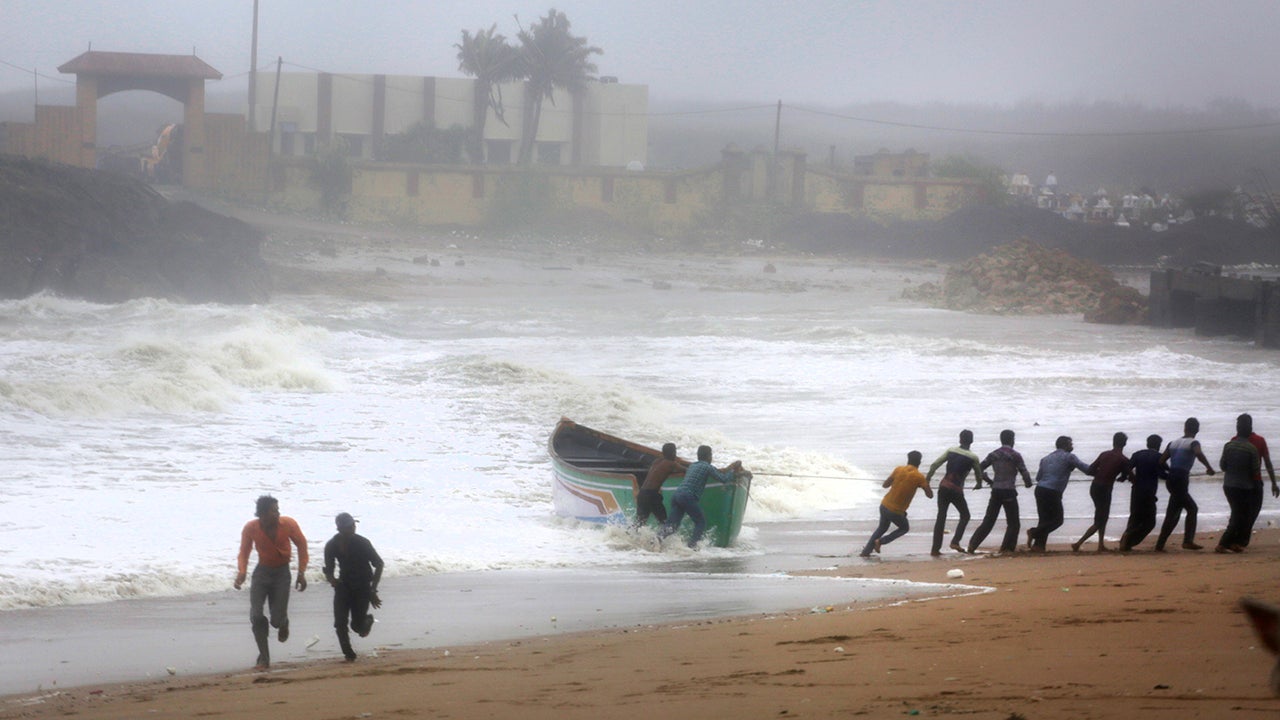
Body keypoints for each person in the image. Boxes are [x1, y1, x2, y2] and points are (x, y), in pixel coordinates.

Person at [235, 495, 308, 670]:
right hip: (261, 574)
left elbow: (302, 545)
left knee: (275, 620)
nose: (278, 513)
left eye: (278, 510)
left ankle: (283, 622)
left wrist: (301, 572)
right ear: (263, 514)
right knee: (256, 616)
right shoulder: (251, 528)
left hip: (282, 574)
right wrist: (242, 572)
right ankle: (264, 658)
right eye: (274, 511)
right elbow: (244, 552)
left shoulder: (288, 524)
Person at [323, 512, 384, 661]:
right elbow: (329, 569)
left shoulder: (362, 543)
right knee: (339, 623)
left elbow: (379, 564)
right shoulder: (331, 545)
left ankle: (367, 621)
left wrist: (373, 590)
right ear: (340, 529)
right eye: (349, 526)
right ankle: (348, 654)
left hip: (362, 587)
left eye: (353, 525)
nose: (353, 528)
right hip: (343, 586)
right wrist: (332, 580)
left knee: (357, 627)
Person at [661, 445, 742, 548]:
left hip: (677, 495)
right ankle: (692, 546)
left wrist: (730, 467)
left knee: (671, 526)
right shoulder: (707, 467)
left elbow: (717, 471)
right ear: (708, 456)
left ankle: (655, 541)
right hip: (687, 496)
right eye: (711, 455)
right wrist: (733, 471)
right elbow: (724, 479)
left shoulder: (692, 466)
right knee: (700, 522)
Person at [968, 429, 1033, 554]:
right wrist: (1028, 483)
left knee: (989, 521)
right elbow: (1024, 471)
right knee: (1013, 523)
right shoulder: (1015, 455)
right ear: (1012, 440)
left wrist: (988, 480)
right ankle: (1007, 548)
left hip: (996, 490)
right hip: (1009, 491)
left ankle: (972, 545)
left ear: (1001, 439)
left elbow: (979, 468)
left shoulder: (994, 454)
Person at [1155, 417, 1215, 552]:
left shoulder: (1173, 443)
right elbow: (1198, 453)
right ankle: (1187, 541)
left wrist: (1170, 471)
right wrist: (1209, 468)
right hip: (1181, 479)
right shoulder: (1194, 443)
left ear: (1185, 428)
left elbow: (1161, 461)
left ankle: (1159, 545)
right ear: (1197, 430)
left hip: (1171, 479)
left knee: (1173, 512)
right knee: (1192, 509)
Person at [924, 429, 988, 556]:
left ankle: (935, 549)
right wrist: (979, 484)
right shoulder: (973, 457)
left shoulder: (951, 451)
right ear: (972, 441)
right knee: (965, 515)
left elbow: (935, 464)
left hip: (943, 487)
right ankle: (955, 541)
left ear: (960, 439)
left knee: (941, 517)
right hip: (956, 491)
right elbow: (978, 474)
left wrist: (928, 479)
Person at [858, 451, 933, 557]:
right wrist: (926, 483)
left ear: (908, 460)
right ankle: (881, 541)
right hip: (896, 511)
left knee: (882, 528)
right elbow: (930, 495)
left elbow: (885, 485)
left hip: (884, 505)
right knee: (904, 528)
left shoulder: (898, 469)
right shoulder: (919, 477)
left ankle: (866, 551)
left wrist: (896, 480)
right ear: (919, 462)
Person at [1027, 436, 1092, 552]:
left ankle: (1038, 546)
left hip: (1040, 489)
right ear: (1065, 445)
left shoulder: (1045, 458)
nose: (1072, 446)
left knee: (1044, 519)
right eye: (1070, 444)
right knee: (1058, 520)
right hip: (1053, 491)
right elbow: (1086, 469)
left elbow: (1038, 478)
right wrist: (1101, 470)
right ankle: (1034, 532)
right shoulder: (1069, 457)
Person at [1073, 432, 1133, 553]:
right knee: (1100, 519)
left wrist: (1101, 474)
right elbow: (1129, 476)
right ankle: (1078, 543)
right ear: (1125, 444)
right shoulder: (1123, 459)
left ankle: (1100, 544)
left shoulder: (1104, 454)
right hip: (1105, 489)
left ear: (1113, 442)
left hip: (1094, 487)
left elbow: (1090, 470)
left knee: (1102, 516)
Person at [1233, 413, 1278, 547]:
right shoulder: (1257, 440)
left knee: (1244, 512)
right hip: (1250, 482)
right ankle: (1241, 540)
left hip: (1243, 483)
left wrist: (1274, 483)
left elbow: (1267, 463)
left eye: (1239, 425)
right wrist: (1274, 483)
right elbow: (1267, 463)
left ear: (1248, 426)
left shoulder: (1236, 440)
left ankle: (1240, 539)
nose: (1238, 428)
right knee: (1249, 512)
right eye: (1238, 425)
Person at [1119, 434, 1168, 551]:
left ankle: (1126, 542)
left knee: (1134, 517)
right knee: (1150, 522)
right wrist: (1173, 475)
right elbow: (1162, 474)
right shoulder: (1159, 457)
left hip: (1136, 490)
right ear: (1159, 445)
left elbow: (1126, 467)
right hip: (1149, 492)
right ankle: (1130, 538)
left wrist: (1126, 477)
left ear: (1147, 444)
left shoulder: (1137, 454)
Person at [1219, 425, 1262, 553]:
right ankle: (1223, 543)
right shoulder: (1252, 449)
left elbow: (1223, 466)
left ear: (1237, 430)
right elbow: (1255, 470)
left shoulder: (1228, 446)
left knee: (1237, 513)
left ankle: (1232, 543)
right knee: (1241, 515)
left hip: (1228, 485)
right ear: (1249, 432)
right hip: (1244, 487)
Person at [632, 443, 683, 529]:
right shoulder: (671, 463)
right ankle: (661, 537)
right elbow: (687, 470)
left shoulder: (657, 461)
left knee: (639, 523)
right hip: (652, 494)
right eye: (675, 452)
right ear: (673, 453)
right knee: (664, 522)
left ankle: (624, 535)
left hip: (642, 493)